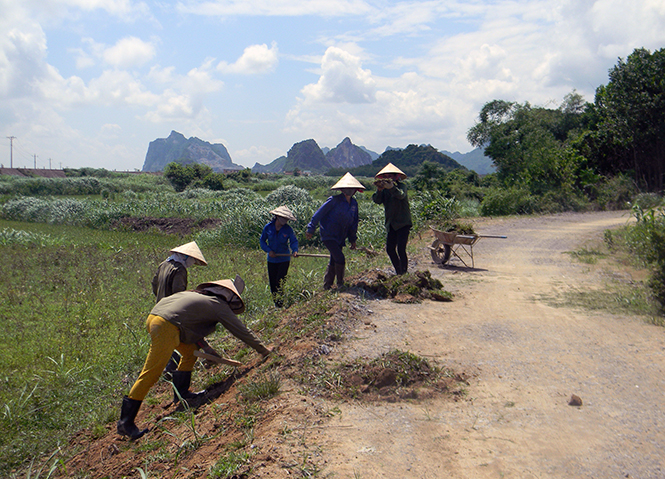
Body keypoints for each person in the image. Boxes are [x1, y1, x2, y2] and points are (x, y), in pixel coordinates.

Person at [117, 275, 272, 440]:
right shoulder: (218, 305)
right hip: (166, 326)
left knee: (190, 353)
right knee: (151, 373)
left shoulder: (197, 296)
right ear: (229, 296)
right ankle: (126, 423)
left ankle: (182, 394)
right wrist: (263, 350)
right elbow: (240, 331)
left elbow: (188, 323)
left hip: (156, 319)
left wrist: (205, 348)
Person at [151, 241, 211, 373]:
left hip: (159, 309)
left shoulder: (163, 265)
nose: (192, 263)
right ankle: (174, 368)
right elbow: (178, 293)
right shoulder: (179, 269)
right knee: (188, 334)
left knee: (171, 340)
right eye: (192, 260)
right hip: (173, 311)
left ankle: (170, 368)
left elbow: (154, 285)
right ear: (185, 257)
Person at [306, 172, 364, 290]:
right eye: (347, 188)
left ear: (355, 190)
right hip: (329, 235)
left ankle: (327, 286)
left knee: (334, 259)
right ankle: (340, 283)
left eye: (351, 189)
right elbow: (318, 214)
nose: (349, 191)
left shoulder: (353, 204)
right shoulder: (333, 200)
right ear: (342, 189)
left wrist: (353, 239)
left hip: (341, 236)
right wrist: (311, 228)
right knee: (340, 258)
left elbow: (354, 222)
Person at [372, 163, 412, 275]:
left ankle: (404, 272)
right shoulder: (384, 190)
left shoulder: (401, 186)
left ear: (395, 177)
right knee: (390, 249)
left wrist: (392, 188)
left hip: (403, 222)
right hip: (391, 223)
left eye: (390, 176)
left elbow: (401, 195)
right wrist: (379, 190)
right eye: (386, 176)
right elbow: (377, 200)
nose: (388, 178)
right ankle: (398, 271)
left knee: (401, 249)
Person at [260, 206, 299, 307]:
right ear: (277, 217)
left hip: (284, 259)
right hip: (272, 259)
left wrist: (295, 251)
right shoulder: (268, 227)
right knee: (273, 282)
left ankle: (280, 303)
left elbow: (293, 241)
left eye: (287, 219)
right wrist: (269, 250)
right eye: (283, 218)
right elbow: (262, 241)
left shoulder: (288, 229)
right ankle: (276, 304)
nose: (285, 220)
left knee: (280, 281)